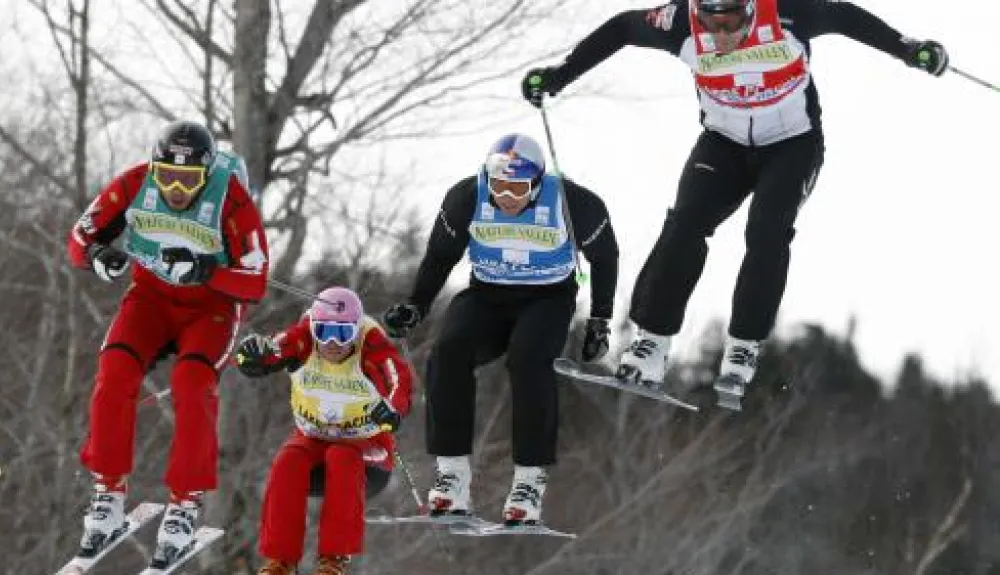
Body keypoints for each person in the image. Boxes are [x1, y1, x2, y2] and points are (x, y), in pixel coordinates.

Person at [520, 0, 949, 401]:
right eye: (712, 22)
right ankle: (651, 342)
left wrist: (909, 50)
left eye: (731, 22)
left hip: (792, 145)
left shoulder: (788, 12)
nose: (722, 33)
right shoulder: (679, 22)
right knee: (685, 224)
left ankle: (744, 345)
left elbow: (844, 17)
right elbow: (622, 29)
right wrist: (559, 76)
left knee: (766, 230)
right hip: (723, 143)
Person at [382, 133, 618, 525]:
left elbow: (605, 257)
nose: (507, 196)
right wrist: (416, 305)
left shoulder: (574, 203)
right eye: (499, 186)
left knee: (528, 358)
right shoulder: (466, 198)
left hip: (547, 298)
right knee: (448, 352)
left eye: (518, 188)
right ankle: (452, 477)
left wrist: (600, 321)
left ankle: (529, 482)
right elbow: (440, 256)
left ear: (537, 183)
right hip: (487, 294)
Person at [66, 120, 269, 568]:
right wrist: (99, 255)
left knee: (192, 384)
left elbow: (255, 282)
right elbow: (79, 239)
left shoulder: (232, 198)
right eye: (168, 176)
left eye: (189, 179)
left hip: (211, 308)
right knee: (115, 373)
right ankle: (108, 493)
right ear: (154, 167)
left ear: (207, 174)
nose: (177, 189)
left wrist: (206, 270)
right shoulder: (135, 183)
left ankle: (184, 505)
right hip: (151, 298)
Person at [235, 286, 414, 575]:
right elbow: (274, 348)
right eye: (324, 331)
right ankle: (280, 561)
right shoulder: (303, 339)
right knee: (288, 460)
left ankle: (333, 560)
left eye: (343, 333)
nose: (332, 342)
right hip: (313, 440)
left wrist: (393, 409)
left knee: (341, 455)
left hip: (366, 450)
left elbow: (399, 379)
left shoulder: (371, 344)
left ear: (356, 330)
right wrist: (253, 355)